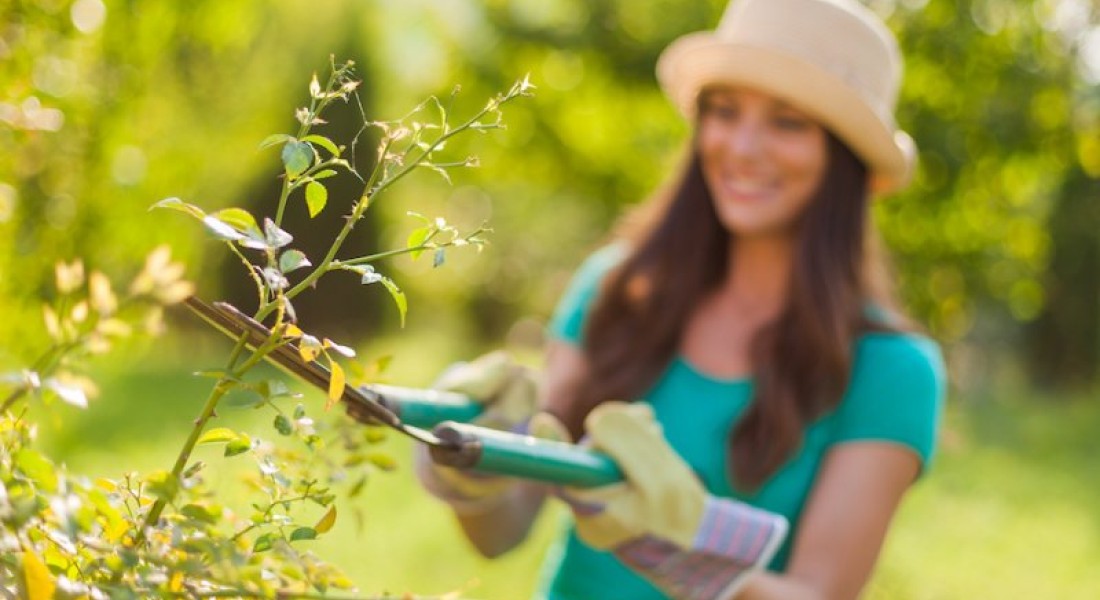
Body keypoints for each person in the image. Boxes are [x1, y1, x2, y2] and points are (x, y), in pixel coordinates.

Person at [410, 0, 946, 598]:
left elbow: (820, 590)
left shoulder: (892, 369)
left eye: (788, 121)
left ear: (848, 162)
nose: (741, 147)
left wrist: (690, 548)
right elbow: (501, 533)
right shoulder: (619, 289)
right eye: (723, 111)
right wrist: (465, 461)